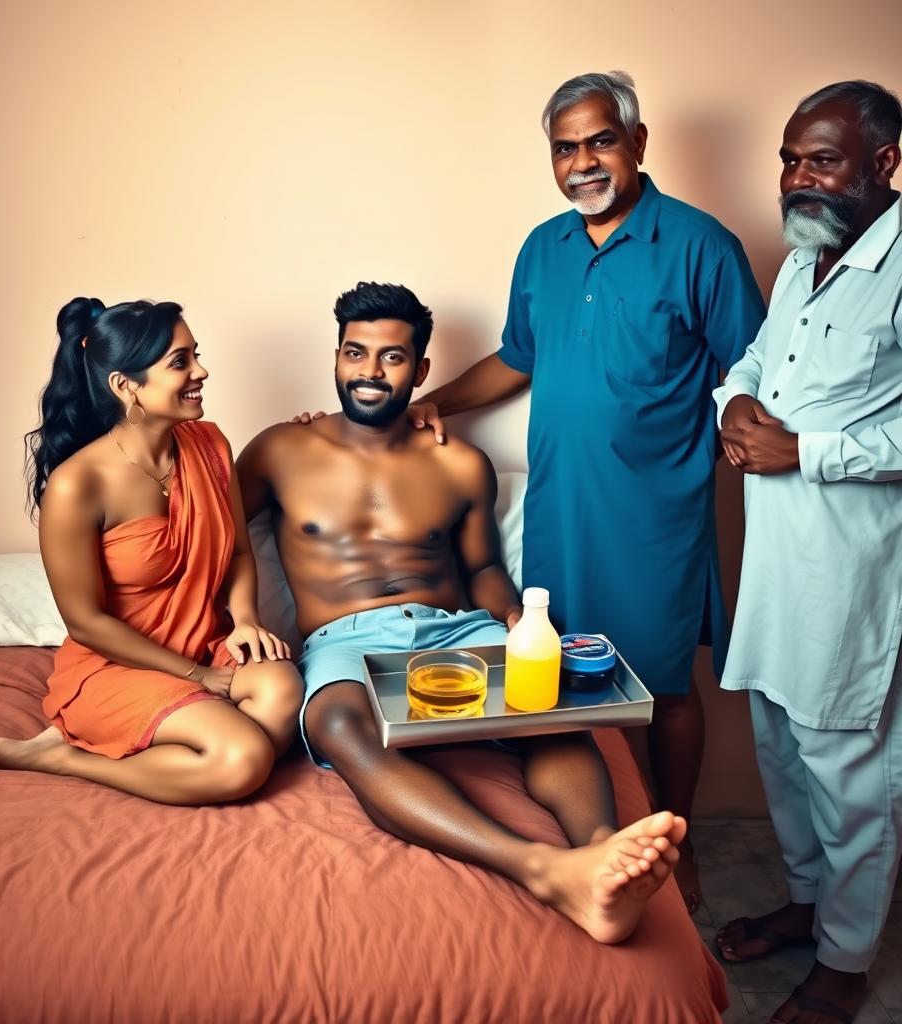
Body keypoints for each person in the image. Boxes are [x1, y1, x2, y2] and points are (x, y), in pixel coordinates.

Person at [300, 72, 765, 911]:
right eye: (565, 148)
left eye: (600, 141)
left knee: (658, 684)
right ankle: (603, 841)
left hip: (656, 508)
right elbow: (518, 357)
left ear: (638, 144)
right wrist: (437, 400)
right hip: (560, 507)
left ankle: (675, 835)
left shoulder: (701, 246)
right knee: (564, 674)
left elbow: (755, 372)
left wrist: (757, 436)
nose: (583, 162)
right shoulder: (542, 248)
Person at [239, 281, 686, 944]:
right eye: (354, 353)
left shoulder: (460, 464)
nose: (368, 371)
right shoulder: (278, 450)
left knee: (551, 709)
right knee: (335, 718)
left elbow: (480, 569)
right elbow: (218, 539)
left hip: (454, 628)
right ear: (335, 359)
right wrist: (243, 615)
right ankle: (541, 868)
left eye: (390, 358)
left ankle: (600, 854)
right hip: (344, 640)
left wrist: (511, 617)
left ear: (420, 371)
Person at [712, 80, 902, 1024]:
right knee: (780, 745)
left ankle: (846, 960)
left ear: (886, 163)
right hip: (776, 557)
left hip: (854, 568)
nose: (796, 178)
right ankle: (804, 902)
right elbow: (753, 360)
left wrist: (807, 450)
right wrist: (735, 405)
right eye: (790, 159)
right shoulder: (803, 257)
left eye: (820, 159)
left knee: (847, 769)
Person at [0, 297, 302, 804]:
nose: (201, 371)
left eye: (196, 355)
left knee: (284, 694)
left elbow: (237, 553)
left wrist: (247, 620)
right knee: (244, 759)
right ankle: (64, 757)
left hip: (203, 642)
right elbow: (86, 623)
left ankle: (199, 742)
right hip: (116, 667)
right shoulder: (78, 484)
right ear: (126, 386)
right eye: (180, 363)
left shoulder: (210, 445)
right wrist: (201, 678)